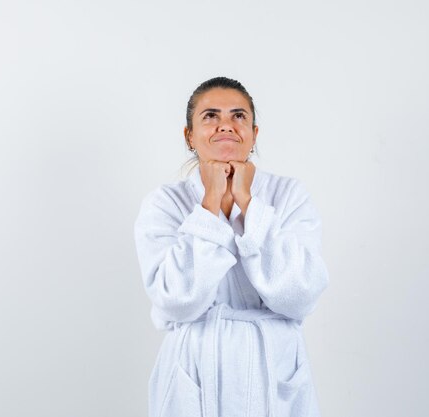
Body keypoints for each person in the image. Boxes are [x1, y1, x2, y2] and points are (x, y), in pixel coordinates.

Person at [133, 76, 329, 417]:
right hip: (195, 370)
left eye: (238, 116)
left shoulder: (289, 196)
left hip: (275, 371)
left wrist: (248, 204)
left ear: (254, 133)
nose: (226, 125)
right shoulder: (165, 203)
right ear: (189, 135)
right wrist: (210, 204)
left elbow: (300, 296)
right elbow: (176, 301)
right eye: (210, 115)